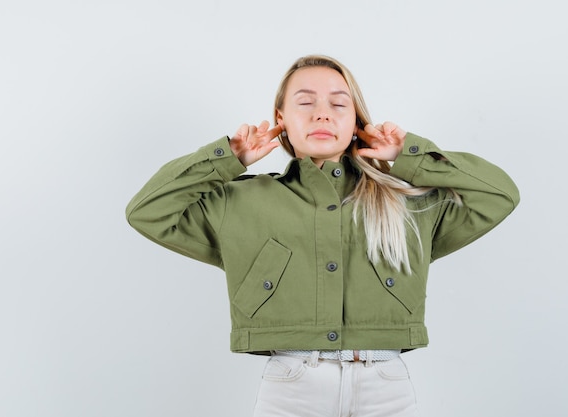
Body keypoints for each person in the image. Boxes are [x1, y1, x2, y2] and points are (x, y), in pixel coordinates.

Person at [125, 55, 519, 417]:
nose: (322, 115)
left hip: (387, 388)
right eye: (305, 102)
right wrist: (227, 158)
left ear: (356, 122)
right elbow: (147, 211)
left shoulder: (405, 202)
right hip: (291, 387)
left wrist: (409, 156)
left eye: (338, 104)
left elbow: (499, 195)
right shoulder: (238, 201)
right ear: (281, 117)